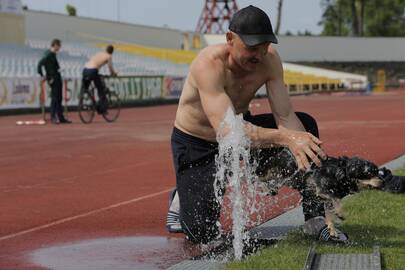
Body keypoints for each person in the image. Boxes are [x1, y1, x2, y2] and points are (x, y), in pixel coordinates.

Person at [166, 5, 349, 244]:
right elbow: (228, 131)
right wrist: (286, 138)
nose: (259, 54)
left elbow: (285, 119)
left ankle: (315, 220)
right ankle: (182, 193)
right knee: (201, 236)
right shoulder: (208, 64)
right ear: (230, 39)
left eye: (264, 47)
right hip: (199, 142)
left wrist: (309, 156)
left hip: (243, 126)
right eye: (252, 47)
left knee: (305, 126)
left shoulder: (269, 60)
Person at [37, 39, 71, 124]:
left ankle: (60, 117)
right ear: (55, 45)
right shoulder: (48, 54)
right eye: (59, 46)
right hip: (53, 78)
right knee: (55, 98)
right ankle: (53, 117)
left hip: (57, 77)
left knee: (59, 98)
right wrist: (42, 75)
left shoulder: (52, 54)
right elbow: (39, 64)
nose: (59, 48)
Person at [82, 45, 117, 113]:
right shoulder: (109, 56)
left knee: (86, 88)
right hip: (93, 71)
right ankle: (101, 109)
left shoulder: (99, 53)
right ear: (112, 52)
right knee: (100, 89)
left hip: (85, 70)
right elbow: (110, 67)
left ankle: (86, 99)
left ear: (106, 49)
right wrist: (113, 73)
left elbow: (93, 61)